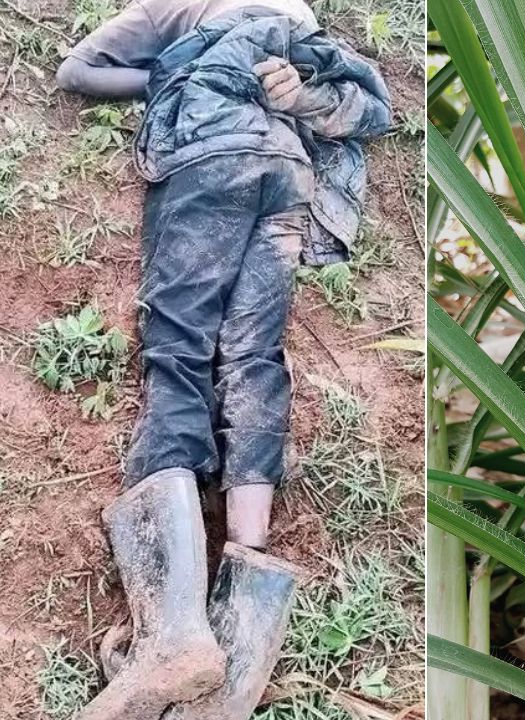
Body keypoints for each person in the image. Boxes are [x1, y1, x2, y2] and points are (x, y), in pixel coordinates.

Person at [57, 2, 391, 718]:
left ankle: (173, 636)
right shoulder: (297, 17)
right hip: (288, 176)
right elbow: (369, 110)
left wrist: (172, 72)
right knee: (253, 359)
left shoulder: (173, 5)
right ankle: (235, 660)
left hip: (209, 160)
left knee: (176, 349)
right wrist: (297, 99)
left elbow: (76, 71)